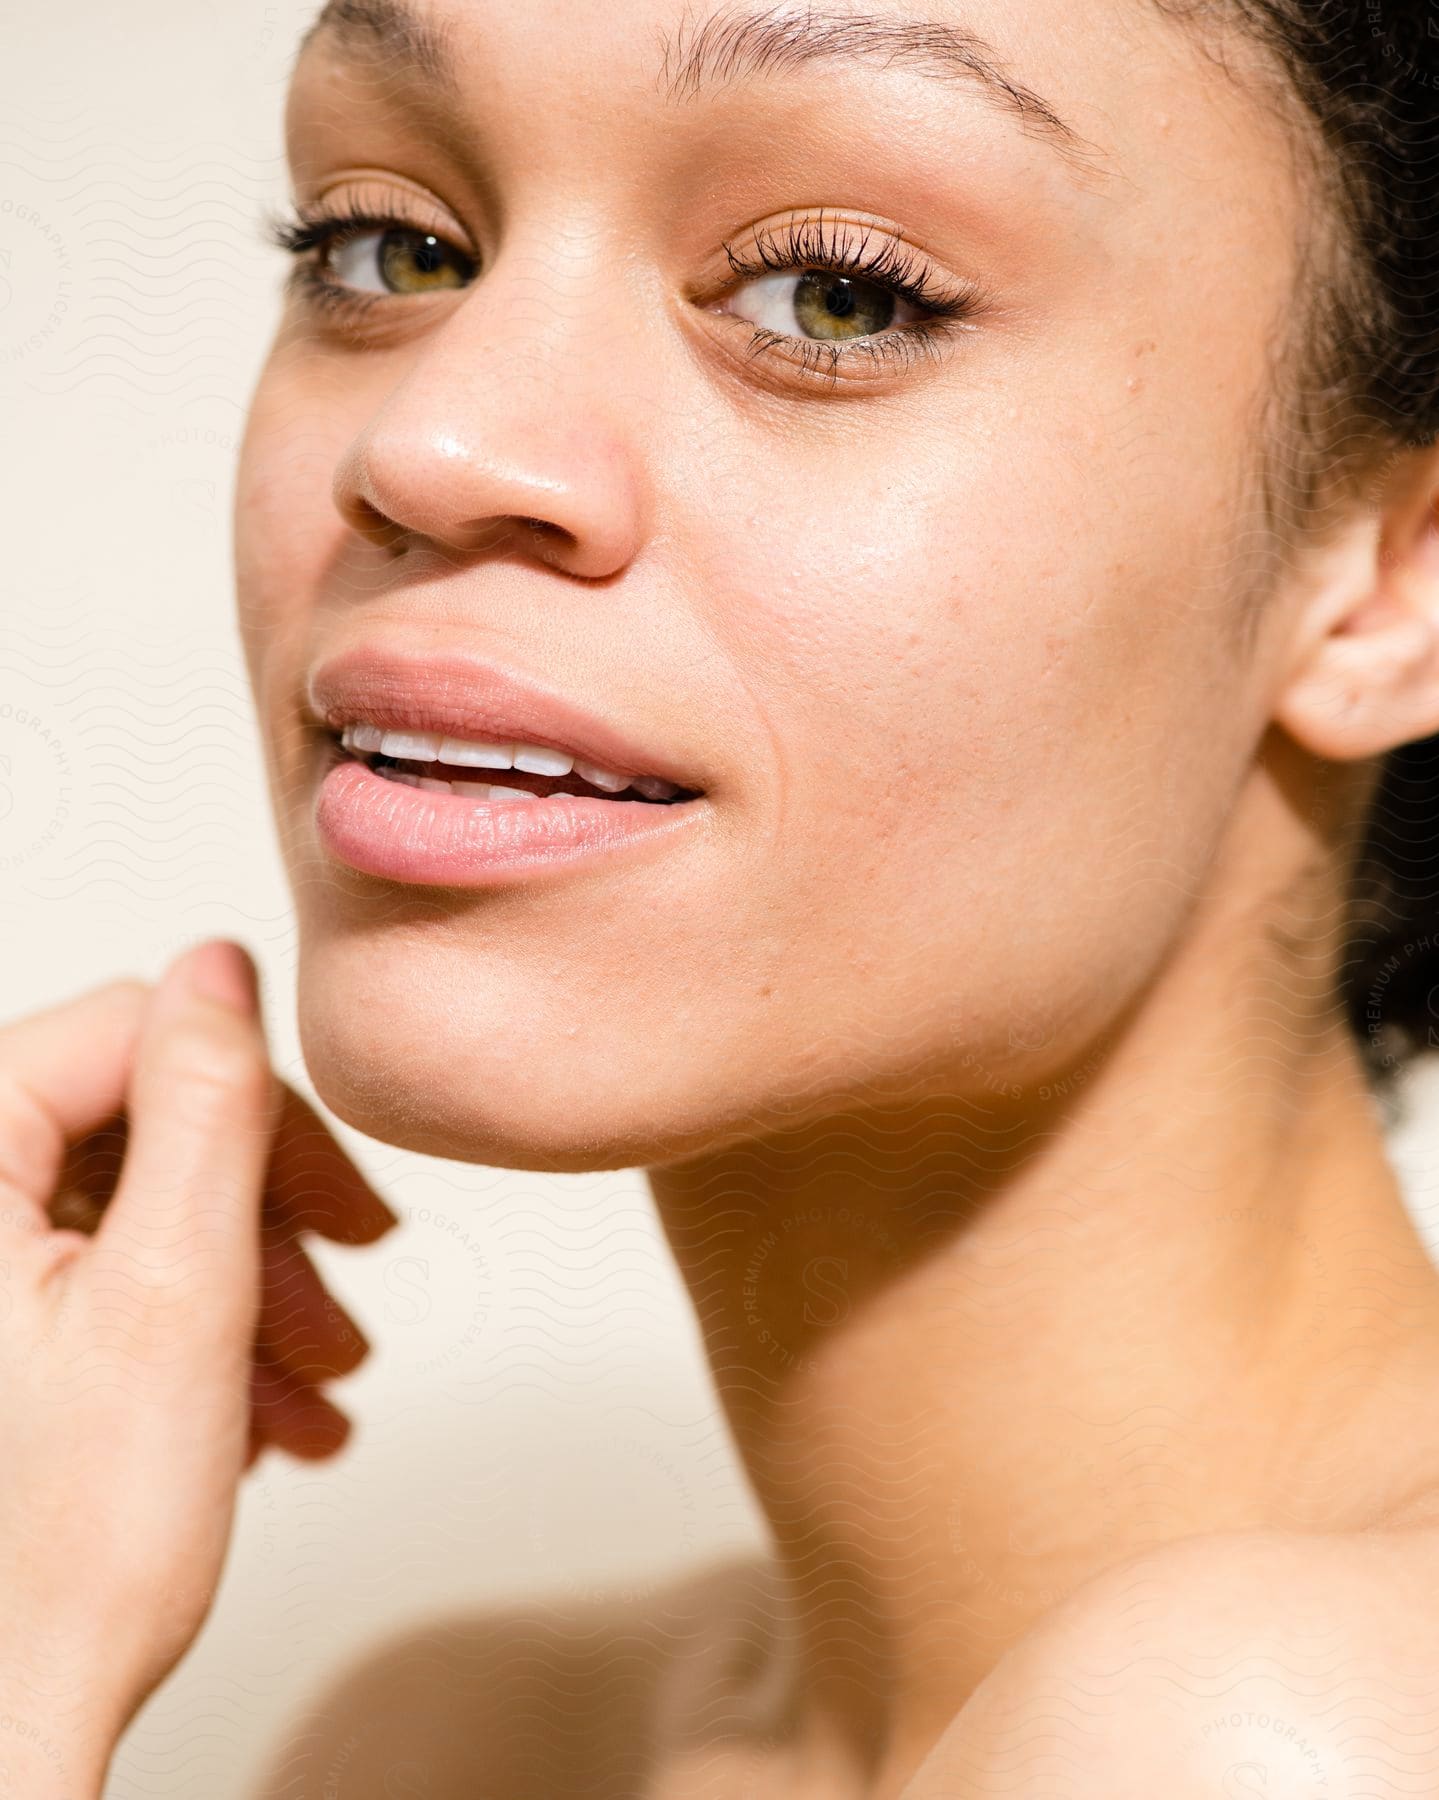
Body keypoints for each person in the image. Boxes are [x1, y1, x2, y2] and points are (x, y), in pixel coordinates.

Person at [3, 0, 1439, 1792]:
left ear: (1393, 571)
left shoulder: (1283, 1738)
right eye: (391, 243)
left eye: (835, 292)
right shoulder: (464, 1746)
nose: (435, 445)